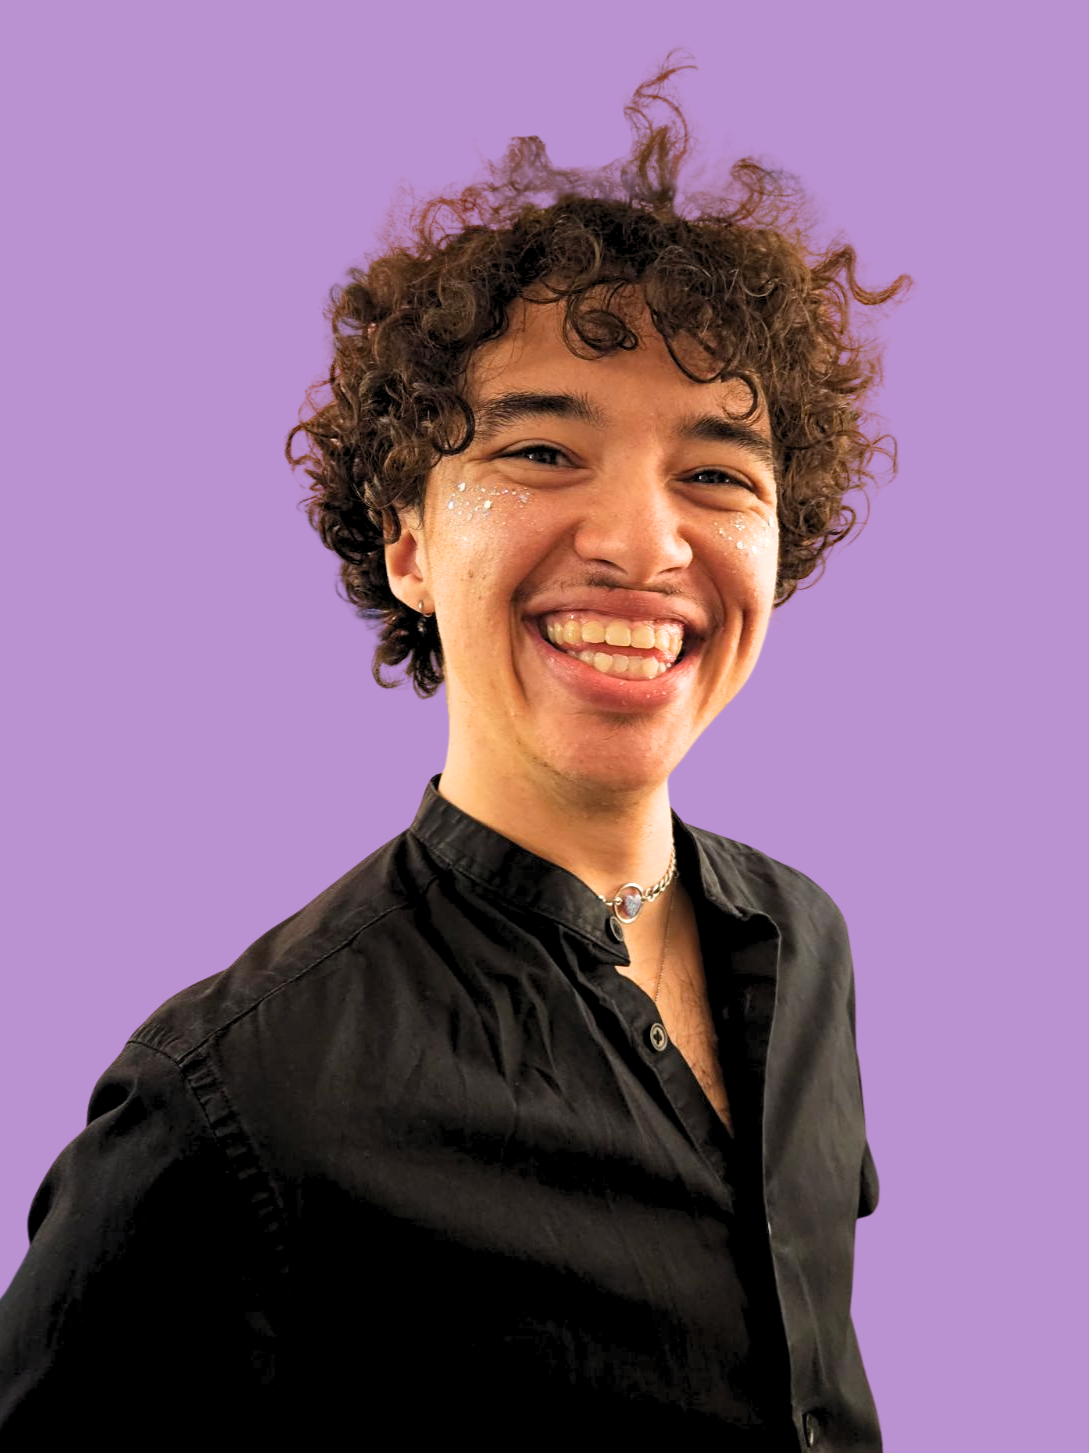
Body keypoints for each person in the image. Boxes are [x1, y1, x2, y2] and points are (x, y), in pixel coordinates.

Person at [0, 54, 909, 1449]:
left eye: (718, 473)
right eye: (545, 452)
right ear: (410, 540)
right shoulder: (236, 1105)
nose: (642, 545)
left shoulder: (807, 946)